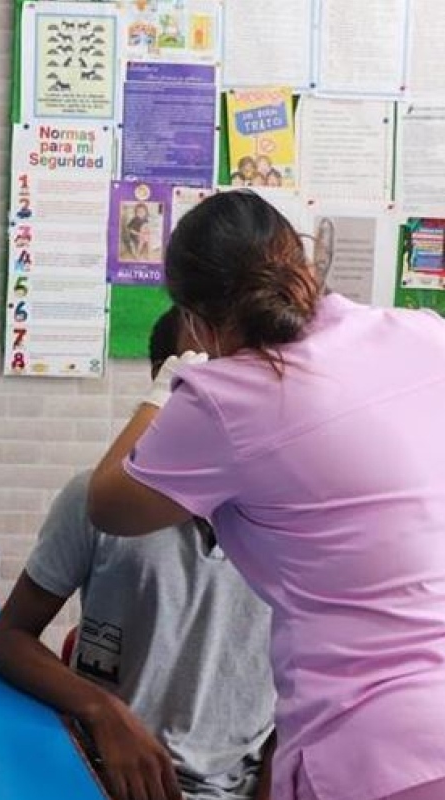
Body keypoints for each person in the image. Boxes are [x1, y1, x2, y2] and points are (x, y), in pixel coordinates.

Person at [87, 191, 445, 800]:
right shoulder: (422, 332)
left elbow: (108, 503)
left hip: (375, 742)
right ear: (301, 261)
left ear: (194, 318)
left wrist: (168, 383)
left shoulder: (224, 398)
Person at [0, 308, 276, 800]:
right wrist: (103, 711)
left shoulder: (295, 523)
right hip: (100, 777)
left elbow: (308, 689)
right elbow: (7, 638)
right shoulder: (96, 501)